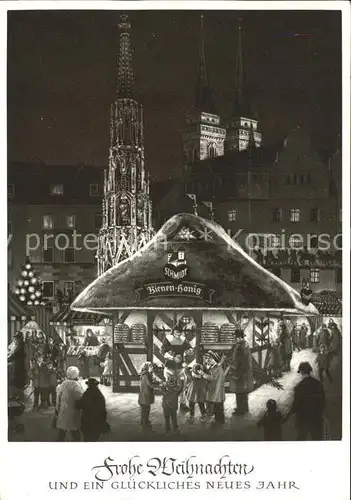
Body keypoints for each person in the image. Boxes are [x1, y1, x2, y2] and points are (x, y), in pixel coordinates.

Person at [288, 361, 325, 440]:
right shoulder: (318, 384)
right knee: (317, 439)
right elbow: (323, 402)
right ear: (309, 371)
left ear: (301, 372)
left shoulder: (299, 387)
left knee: (301, 438)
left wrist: (289, 414)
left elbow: (295, 406)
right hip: (316, 418)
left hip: (303, 419)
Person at [227, 329, 254, 416]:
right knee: (242, 391)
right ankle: (244, 408)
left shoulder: (242, 346)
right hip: (242, 371)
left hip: (241, 371)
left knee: (240, 391)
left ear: (240, 337)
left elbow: (244, 361)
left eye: (236, 337)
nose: (235, 339)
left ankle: (240, 410)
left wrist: (238, 374)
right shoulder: (241, 344)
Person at [54, 366, 84, 441]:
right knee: (75, 433)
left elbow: (58, 398)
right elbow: (81, 399)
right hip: (73, 412)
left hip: (63, 411)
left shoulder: (63, 384)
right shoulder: (77, 385)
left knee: (61, 433)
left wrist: (57, 410)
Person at [202, 351, 226, 425]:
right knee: (217, 407)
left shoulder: (217, 369)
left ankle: (220, 421)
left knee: (218, 408)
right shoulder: (215, 367)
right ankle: (218, 420)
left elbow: (212, 378)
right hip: (216, 391)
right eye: (207, 359)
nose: (209, 360)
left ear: (215, 360)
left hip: (217, 391)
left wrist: (203, 374)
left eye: (211, 359)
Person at [7, 331, 29, 400]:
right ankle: (18, 399)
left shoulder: (20, 345)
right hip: (20, 368)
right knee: (17, 384)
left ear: (19, 338)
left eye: (15, 339)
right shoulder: (21, 345)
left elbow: (13, 355)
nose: (14, 340)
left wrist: (7, 358)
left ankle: (18, 400)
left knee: (16, 384)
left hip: (19, 369)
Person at [138, 362, 159, 431]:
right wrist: (158, 385)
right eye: (151, 367)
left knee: (144, 410)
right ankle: (145, 423)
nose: (153, 369)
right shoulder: (146, 375)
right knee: (146, 410)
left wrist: (156, 382)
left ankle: (143, 422)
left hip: (143, 395)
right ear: (147, 367)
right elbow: (150, 384)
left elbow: (150, 383)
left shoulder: (145, 374)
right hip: (146, 395)